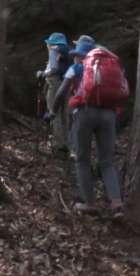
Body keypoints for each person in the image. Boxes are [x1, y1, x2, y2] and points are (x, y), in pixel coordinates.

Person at [55, 41, 124, 219]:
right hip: (109, 114)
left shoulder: (77, 68)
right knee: (107, 161)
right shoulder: (108, 68)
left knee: (82, 160)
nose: (75, 56)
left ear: (83, 56)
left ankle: (89, 203)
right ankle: (116, 203)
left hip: (84, 113)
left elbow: (61, 92)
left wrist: (52, 111)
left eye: (77, 53)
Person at [37, 32, 71, 157]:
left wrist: (42, 74)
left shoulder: (53, 50)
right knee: (64, 115)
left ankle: (58, 147)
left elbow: (54, 68)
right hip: (66, 84)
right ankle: (66, 145)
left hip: (55, 84)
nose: (48, 45)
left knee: (54, 113)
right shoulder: (68, 51)